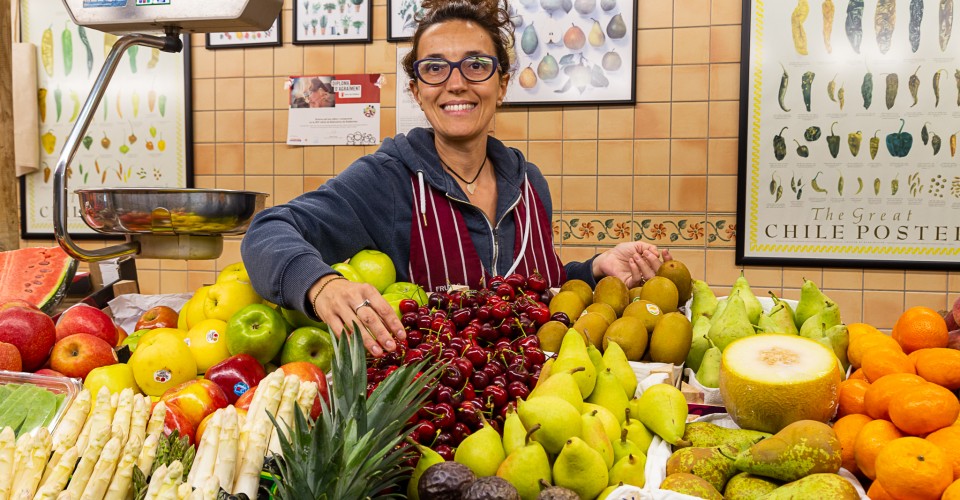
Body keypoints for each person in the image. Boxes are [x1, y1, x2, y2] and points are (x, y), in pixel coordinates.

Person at [241, 0, 672, 357]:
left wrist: (594, 270)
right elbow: (266, 231)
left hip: (544, 406)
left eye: (476, 65)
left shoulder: (530, 184)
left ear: (501, 84)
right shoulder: (386, 181)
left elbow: (533, 287)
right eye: (434, 68)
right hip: (439, 419)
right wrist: (321, 285)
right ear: (417, 90)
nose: (456, 83)